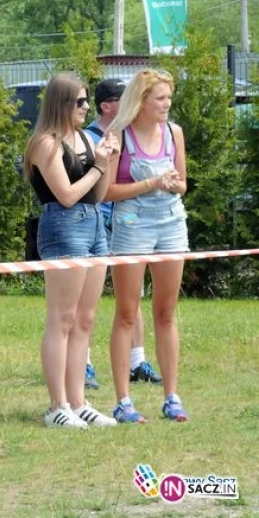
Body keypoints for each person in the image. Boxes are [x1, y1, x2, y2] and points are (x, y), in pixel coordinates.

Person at [23, 72, 118, 429]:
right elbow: (65, 195)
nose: (86, 107)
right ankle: (57, 405)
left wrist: (107, 161)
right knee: (61, 318)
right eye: (80, 101)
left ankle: (79, 402)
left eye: (87, 100)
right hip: (63, 226)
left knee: (85, 319)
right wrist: (98, 166)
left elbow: (98, 194)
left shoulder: (84, 138)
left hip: (93, 224)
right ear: (61, 103)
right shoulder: (45, 144)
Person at [105, 69, 189, 424]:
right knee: (127, 313)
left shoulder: (174, 133)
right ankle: (123, 401)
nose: (167, 104)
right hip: (132, 225)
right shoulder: (119, 135)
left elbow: (183, 184)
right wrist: (152, 182)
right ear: (141, 101)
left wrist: (172, 184)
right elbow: (106, 191)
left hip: (171, 223)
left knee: (166, 313)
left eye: (169, 98)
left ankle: (172, 397)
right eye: (160, 98)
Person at [82, 78, 162, 390]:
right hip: (95, 223)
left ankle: (137, 362)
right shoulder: (88, 138)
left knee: (131, 297)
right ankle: (83, 364)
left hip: (126, 223)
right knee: (85, 299)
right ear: (107, 106)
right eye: (124, 97)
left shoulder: (130, 135)